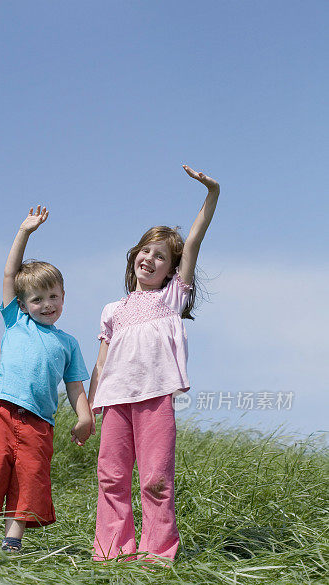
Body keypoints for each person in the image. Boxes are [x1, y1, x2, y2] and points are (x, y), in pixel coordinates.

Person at [88, 166, 220, 562]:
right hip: (114, 402)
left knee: (156, 479)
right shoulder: (113, 309)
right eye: (145, 251)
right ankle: (111, 552)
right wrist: (87, 411)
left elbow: (194, 239)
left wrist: (212, 193)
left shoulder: (172, 298)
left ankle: (157, 553)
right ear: (134, 258)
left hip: (154, 399)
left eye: (160, 256)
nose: (150, 258)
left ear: (172, 269)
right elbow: (101, 364)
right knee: (110, 477)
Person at [0, 206, 92, 553]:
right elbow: (10, 274)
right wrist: (25, 232)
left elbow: (74, 386)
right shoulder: (16, 322)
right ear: (22, 304)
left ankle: (12, 541)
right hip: (2, 411)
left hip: (39, 422)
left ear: (64, 296)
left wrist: (85, 416)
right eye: (37, 299)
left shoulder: (68, 343)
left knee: (28, 477)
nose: (47, 304)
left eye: (53, 296)